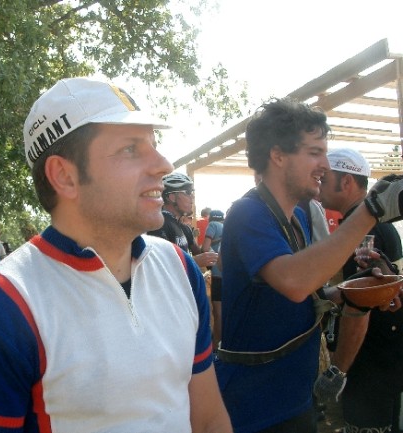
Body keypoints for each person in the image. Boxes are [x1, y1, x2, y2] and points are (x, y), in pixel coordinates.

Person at [0, 76, 232, 432]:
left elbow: (208, 419)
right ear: (64, 176)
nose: (164, 164)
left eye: (154, 144)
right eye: (130, 149)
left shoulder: (180, 268)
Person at [214, 98, 403, 433]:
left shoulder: (298, 218)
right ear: (278, 155)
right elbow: (293, 282)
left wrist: (352, 292)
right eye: (315, 152)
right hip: (255, 405)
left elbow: (303, 298)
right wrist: (372, 209)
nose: (325, 165)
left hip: (295, 397)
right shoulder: (247, 213)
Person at [315, 148, 403, 432]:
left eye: (324, 179)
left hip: (371, 361)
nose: (318, 186)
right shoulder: (375, 225)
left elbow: (360, 306)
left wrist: (338, 370)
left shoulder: (365, 232)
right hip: (382, 359)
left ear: (346, 182)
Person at [147, 172, 219, 269]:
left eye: (192, 192)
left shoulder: (184, 228)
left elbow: (200, 254)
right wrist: (194, 261)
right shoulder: (159, 225)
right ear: (172, 197)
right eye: (188, 192)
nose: (192, 197)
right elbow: (159, 265)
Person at [202, 209, 224, 343]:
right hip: (229, 273)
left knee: (218, 312)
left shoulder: (212, 225)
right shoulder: (227, 226)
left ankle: (217, 345)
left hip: (217, 273)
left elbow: (205, 248)